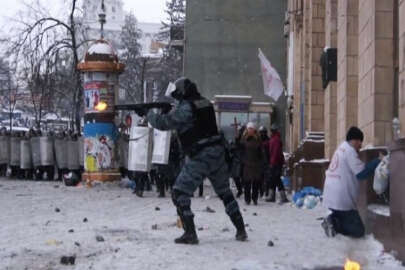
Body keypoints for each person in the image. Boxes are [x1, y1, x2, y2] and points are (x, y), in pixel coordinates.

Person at [135, 77, 248, 244]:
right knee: (225, 193)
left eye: (177, 95)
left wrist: (148, 114)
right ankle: (241, 230)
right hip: (217, 154)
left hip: (200, 155)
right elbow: (192, 123)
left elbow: (165, 123)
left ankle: (190, 233)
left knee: (179, 192)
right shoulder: (205, 103)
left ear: (182, 92)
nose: (176, 98)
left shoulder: (186, 107)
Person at [322, 126, 381, 238]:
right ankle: (333, 224)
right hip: (342, 200)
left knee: (345, 220)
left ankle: (332, 220)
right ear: (355, 140)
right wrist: (378, 161)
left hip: (331, 196)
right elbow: (362, 173)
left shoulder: (341, 149)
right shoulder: (349, 151)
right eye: (360, 142)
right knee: (358, 231)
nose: (361, 146)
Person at [241, 122, 265, 205]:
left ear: (254, 130)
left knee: (256, 183)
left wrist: (262, 161)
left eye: (251, 129)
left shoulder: (258, 139)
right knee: (247, 183)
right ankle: (247, 199)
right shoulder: (243, 139)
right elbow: (240, 150)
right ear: (247, 130)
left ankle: (255, 198)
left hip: (256, 164)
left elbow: (261, 152)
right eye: (249, 129)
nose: (250, 130)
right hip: (247, 164)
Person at [266, 124, 288, 203]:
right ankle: (272, 196)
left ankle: (282, 196)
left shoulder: (276, 139)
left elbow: (275, 152)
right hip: (274, 161)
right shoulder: (273, 138)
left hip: (276, 163)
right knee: (273, 178)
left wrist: (273, 162)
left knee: (276, 179)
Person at [259, 126, 270, 197]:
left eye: (264, 132)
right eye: (261, 132)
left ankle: (266, 190)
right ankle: (261, 191)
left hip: (266, 161)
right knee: (260, 178)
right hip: (260, 161)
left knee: (266, 177)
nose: (262, 134)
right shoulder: (258, 140)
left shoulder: (268, 140)